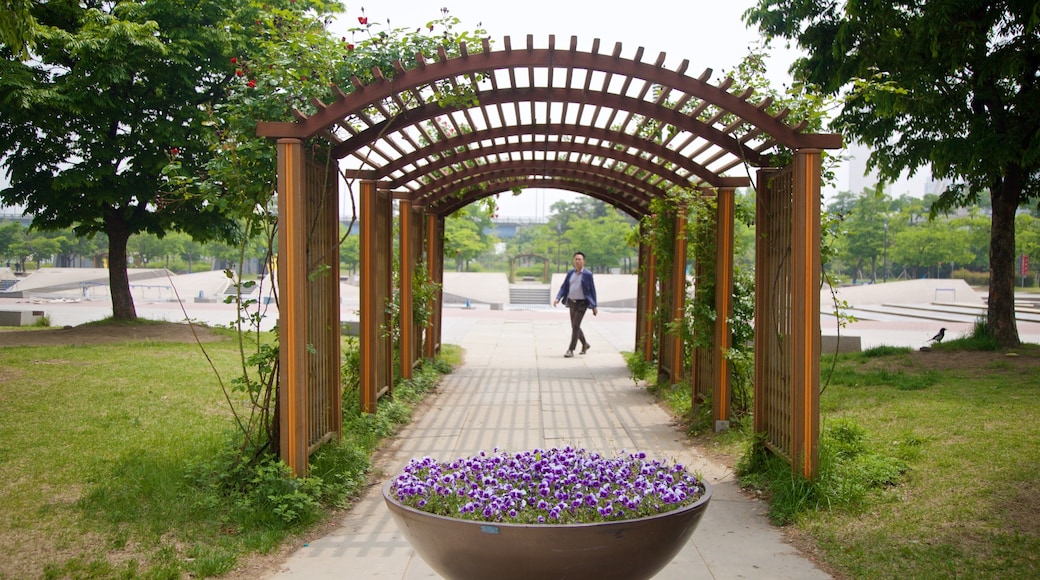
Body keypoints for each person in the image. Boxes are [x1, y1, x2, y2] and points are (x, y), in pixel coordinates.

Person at [552, 251, 598, 357]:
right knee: (574, 326)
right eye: (576, 259)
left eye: (579, 259)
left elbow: (592, 290)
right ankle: (585, 344)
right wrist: (558, 298)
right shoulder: (570, 273)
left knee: (576, 325)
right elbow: (564, 287)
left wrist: (594, 306)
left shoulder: (587, 274)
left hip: (583, 303)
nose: (577, 261)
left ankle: (570, 350)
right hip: (571, 302)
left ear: (584, 262)